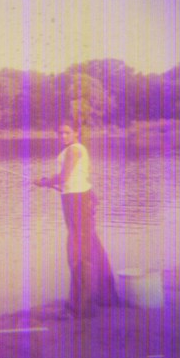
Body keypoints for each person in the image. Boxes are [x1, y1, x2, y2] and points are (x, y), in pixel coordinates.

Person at [34, 120, 119, 319]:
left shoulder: (73, 150)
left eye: (67, 132)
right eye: (60, 133)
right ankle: (104, 296)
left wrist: (44, 182)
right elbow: (77, 178)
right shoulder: (76, 149)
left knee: (78, 252)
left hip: (76, 202)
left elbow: (64, 177)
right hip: (78, 198)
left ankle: (81, 307)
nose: (63, 136)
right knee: (91, 246)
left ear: (76, 133)